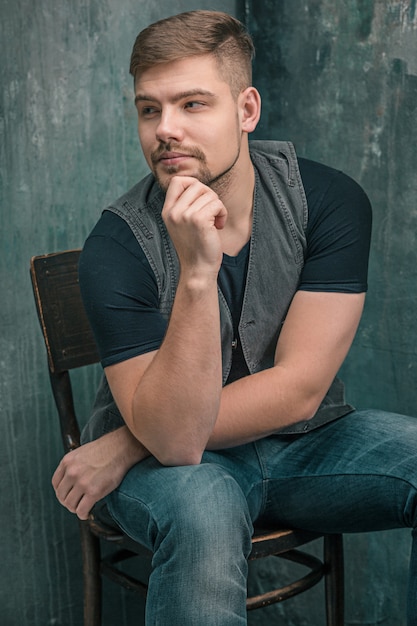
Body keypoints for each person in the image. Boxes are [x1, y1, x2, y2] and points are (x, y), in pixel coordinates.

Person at [52, 10, 417, 625]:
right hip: (176, 471)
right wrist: (196, 273)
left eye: (193, 104)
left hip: (303, 447)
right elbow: (176, 444)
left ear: (246, 111)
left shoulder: (328, 202)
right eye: (149, 109)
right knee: (203, 510)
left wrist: (124, 442)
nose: (165, 130)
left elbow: (300, 390)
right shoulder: (118, 245)